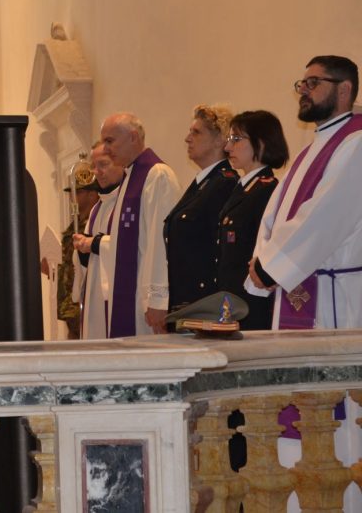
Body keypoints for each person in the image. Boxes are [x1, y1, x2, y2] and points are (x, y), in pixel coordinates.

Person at [247, 56, 362, 512]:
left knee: (340, 420)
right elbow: (277, 214)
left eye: (314, 83)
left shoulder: (355, 144)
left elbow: (326, 216)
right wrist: (261, 263)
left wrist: (272, 267)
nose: (304, 90)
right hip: (303, 291)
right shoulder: (315, 146)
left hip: (339, 301)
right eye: (302, 82)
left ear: (346, 90)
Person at [74, 113, 180, 335]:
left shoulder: (156, 175)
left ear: (133, 137)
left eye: (110, 141)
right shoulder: (128, 180)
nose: (106, 147)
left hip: (144, 300)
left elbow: (161, 241)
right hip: (127, 297)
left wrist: (158, 300)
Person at [163, 105, 239, 314]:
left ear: (219, 140)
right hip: (186, 300)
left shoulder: (224, 183)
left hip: (204, 303)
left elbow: (221, 251)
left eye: (196, 132)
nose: (187, 138)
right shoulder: (202, 184)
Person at [217, 110, 288, 330]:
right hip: (232, 303)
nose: (228, 148)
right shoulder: (244, 188)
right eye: (229, 140)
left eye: (236, 139)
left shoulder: (268, 191)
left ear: (262, 143)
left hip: (252, 304)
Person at [72, 142, 125, 339]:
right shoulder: (97, 209)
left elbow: (132, 246)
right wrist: (81, 247)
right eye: (94, 166)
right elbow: (87, 259)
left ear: (120, 162)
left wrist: (94, 244)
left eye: (103, 165)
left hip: (115, 299)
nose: (97, 172)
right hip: (94, 299)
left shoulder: (128, 203)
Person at [53, 159, 100, 339]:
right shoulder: (76, 223)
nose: (73, 197)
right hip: (69, 303)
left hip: (83, 301)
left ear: (92, 194)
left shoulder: (95, 223)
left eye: (78, 192)